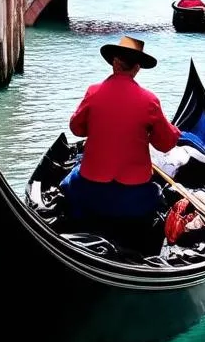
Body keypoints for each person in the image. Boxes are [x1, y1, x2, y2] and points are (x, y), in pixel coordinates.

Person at [61, 36, 181, 254]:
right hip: (133, 200)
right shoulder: (149, 101)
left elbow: (77, 129)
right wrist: (174, 131)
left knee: (68, 180)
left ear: (114, 63)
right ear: (137, 68)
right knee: (158, 194)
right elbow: (166, 144)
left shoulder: (93, 92)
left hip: (90, 194)